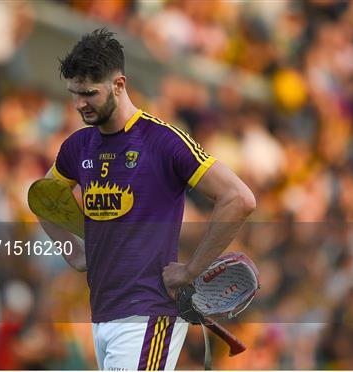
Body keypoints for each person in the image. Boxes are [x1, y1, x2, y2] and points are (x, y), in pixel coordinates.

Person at [40, 28, 256, 370]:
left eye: (89, 93)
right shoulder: (77, 146)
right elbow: (43, 198)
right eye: (74, 93)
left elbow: (239, 198)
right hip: (103, 315)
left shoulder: (163, 141)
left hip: (149, 315)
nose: (79, 103)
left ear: (119, 85)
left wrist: (191, 269)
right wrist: (74, 252)